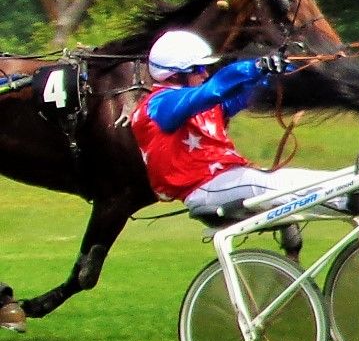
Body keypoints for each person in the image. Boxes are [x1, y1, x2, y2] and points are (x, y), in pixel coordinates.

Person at [129, 30, 339, 220]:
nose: (205, 74)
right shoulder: (159, 106)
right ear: (174, 75)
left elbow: (248, 92)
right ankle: (348, 199)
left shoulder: (203, 103)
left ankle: (358, 189)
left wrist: (285, 70)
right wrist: (255, 66)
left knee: (297, 178)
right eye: (199, 68)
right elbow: (213, 90)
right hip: (205, 188)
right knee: (280, 186)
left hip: (228, 181)